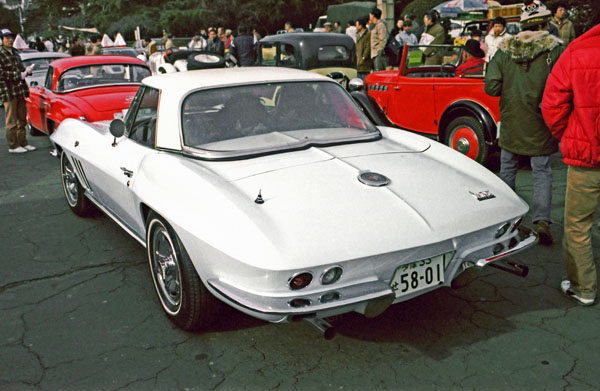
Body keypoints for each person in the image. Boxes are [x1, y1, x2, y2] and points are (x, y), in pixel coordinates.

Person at [484, 0, 563, 246]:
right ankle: (542, 221)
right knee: (541, 171)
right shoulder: (555, 50)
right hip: (541, 122)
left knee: (508, 168)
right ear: (544, 23)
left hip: (511, 120)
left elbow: (491, 87)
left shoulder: (504, 50)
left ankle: (508, 219)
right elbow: (562, 87)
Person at [541, 24, 600, 306]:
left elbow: (552, 105)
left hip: (587, 156)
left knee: (578, 226)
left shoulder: (577, 51)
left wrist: (568, 136)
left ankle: (584, 288)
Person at [0, 29, 36, 153]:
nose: (10, 40)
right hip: (8, 91)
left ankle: (23, 142)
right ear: (1, 40)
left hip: (20, 90)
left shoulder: (15, 52)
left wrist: (26, 70)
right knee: (11, 120)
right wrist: (18, 75)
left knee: (22, 118)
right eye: (6, 38)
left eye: (11, 37)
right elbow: (1, 73)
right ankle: (13, 146)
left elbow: (20, 68)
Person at [369, 7, 388, 71]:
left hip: (378, 54)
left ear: (373, 15)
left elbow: (383, 39)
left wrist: (379, 51)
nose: (369, 16)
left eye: (370, 14)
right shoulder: (375, 25)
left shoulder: (380, 25)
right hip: (374, 53)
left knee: (378, 72)